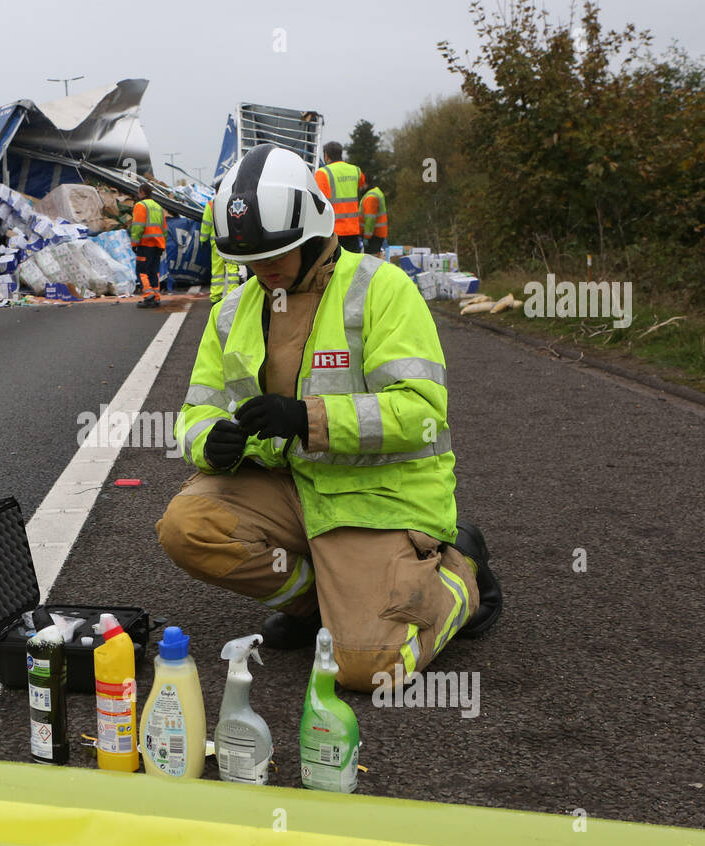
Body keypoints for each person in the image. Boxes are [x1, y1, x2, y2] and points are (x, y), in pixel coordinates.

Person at [155, 144, 502, 692]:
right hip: (293, 487)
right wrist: (208, 442)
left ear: (314, 236)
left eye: (275, 256)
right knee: (188, 525)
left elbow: (420, 410)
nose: (263, 273)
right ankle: (319, 605)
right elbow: (199, 407)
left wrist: (307, 417)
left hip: (377, 495)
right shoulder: (232, 312)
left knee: (371, 669)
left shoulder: (381, 288)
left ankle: (463, 575)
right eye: (251, 262)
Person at [314, 141, 366, 254]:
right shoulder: (355, 170)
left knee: (335, 266)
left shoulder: (322, 173)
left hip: (333, 231)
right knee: (353, 265)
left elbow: (319, 202)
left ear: (326, 156)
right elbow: (362, 184)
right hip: (353, 229)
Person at [200, 193, 245, 304]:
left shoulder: (211, 204)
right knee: (232, 268)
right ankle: (233, 295)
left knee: (217, 270)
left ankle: (215, 297)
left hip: (216, 242)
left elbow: (206, 224)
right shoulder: (232, 203)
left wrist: (202, 240)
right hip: (231, 240)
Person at [130, 183, 166, 309]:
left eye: (138, 192)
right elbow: (164, 229)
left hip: (145, 244)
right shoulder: (158, 207)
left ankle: (148, 296)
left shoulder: (140, 206)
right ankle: (156, 297)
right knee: (154, 271)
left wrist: (134, 242)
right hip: (157, 245)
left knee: (142, 271)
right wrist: (162, 245)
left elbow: (138, 226)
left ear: (142, 193)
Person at [361, 181, 388, 257]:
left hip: (373, 235)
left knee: (371, 260)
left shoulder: (370, 197)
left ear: (365, 184)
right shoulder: (376, 193)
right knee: (376, 258)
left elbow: (370, 219)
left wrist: (367, 237)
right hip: (377, 234)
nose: (360, 187)